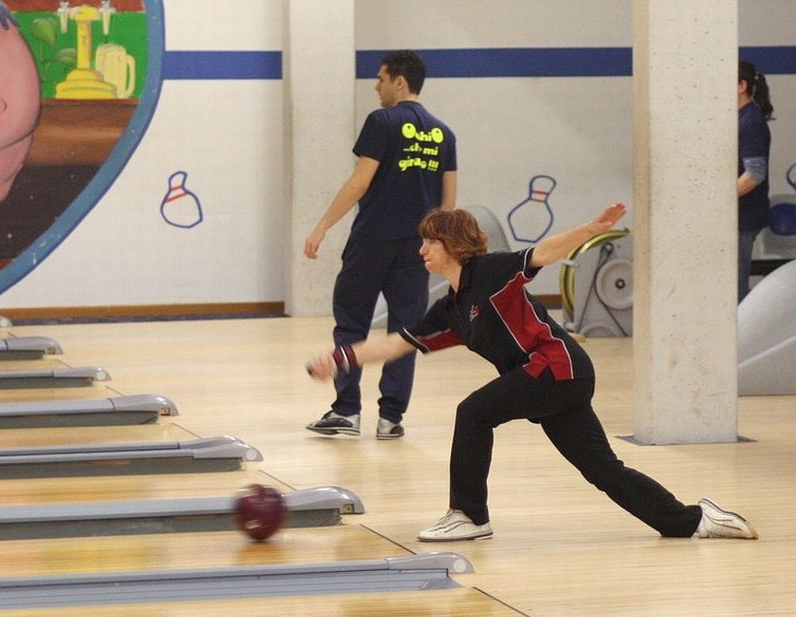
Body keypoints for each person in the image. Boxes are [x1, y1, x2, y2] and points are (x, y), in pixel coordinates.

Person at [306, 205, 758, 541]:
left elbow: (542, 253)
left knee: (474, 412)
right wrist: (340, 358)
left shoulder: (489, 272)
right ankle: (694, 520)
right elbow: (397, 342)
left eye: (430, 241)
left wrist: (590, 230)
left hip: (557, 369)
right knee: (602, 468)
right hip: (549, 381)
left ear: (453, 245)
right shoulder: (451, 308)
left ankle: (469, 515)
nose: (421, 249)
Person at [304, 50, 457, 440]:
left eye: (381, 78)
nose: (377, 86)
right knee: (406, 332)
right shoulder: (444, 134)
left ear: (399, 81)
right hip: (418, 248)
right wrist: (441, 251)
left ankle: (346, 411)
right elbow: (449, 203)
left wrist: (322, 226)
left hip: (372, 239)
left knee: (351, 321)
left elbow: (359, 182)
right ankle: (391, 418)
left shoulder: (382, 121)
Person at [737, 60, 773, 302]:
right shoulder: (741, 118)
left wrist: (716, 200)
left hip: (743, 217)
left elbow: (754, 174)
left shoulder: (750, 122)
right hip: (739, 216)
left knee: (735, 291)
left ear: (742, 85)